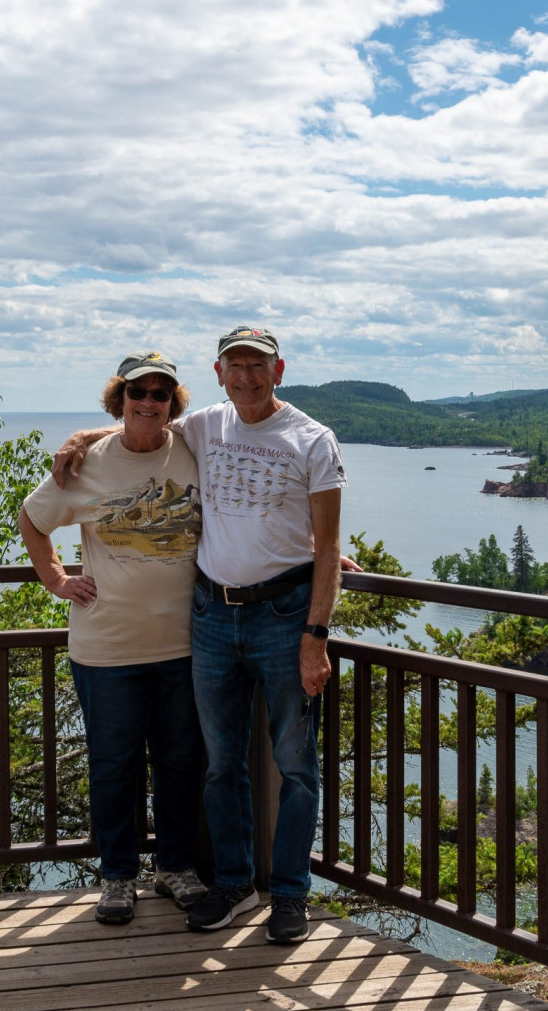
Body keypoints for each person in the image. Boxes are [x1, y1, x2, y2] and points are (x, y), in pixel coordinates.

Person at [54, 325, 345, 944]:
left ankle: (290, 894)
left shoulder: (312, 439)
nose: (246, 376)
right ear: (218, 374)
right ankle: (234, 884)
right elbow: (143, 427)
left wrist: (316, 634)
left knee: (295, 764)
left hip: (283, 617)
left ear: (279, 370)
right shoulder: (208, 425)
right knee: (219, 763)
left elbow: (328, 543)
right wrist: (82, 438)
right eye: (234, 365)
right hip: (211, 616)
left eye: (257, 365)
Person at [19, 350, 208, 924]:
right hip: (107, 647)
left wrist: (318, 549)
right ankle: (118, 876)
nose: (148, 402)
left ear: (173, 402)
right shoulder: (87, 466)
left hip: (185, 643)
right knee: (114, 765)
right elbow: (32, 518)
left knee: (182, 762)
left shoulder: (194, 448)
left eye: (159, 393)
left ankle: (175, 868)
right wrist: (57, 580)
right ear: (119, 398)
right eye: (137, 392)